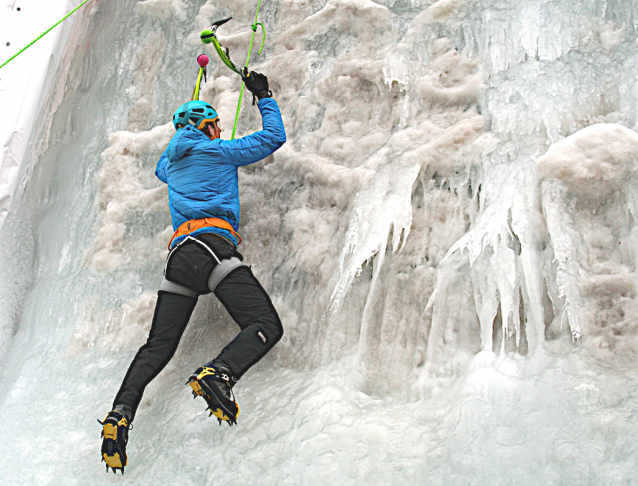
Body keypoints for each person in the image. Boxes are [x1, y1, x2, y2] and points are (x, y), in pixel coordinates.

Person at [98, 70, 286, 474]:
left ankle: (119, 415)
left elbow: (162, 169)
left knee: (157, 348)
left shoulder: (172, 163)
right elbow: (272, 140)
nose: (220, 130)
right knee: (265, 324)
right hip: (212, 247)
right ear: (203, 127)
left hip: (181, 256)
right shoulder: (215, 151)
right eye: (214, 125)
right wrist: (263, 96)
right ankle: (219, 374)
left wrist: (183, 134)